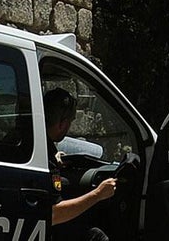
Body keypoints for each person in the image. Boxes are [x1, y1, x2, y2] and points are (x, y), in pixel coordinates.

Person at [45, 88, 116, 241]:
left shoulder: (39, 146)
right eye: (70, 122)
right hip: (46, 229)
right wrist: (98, 194)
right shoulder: (46, 158)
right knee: (95, 237)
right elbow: (54, 213)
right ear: (62, 123)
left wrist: (54, 158)